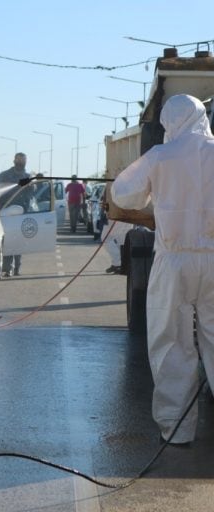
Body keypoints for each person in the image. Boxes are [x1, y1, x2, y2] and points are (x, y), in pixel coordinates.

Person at [112, 94, 214, 445]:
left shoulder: (160, 156)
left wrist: (157, 190)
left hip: (174, 261)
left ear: (170, 122)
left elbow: (124, 196)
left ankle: (177, 431)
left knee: (172, 342)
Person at [0, 152, 31, 276]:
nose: (21, 163)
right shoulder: (4, 175)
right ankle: (7, 268)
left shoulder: (27, 176)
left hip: (21, 214)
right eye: (19, 160)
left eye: (23, 160)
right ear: (14, 161)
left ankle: (17, 268)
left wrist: (35, 183)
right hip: (6, 213)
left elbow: (32, 192)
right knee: (7, 241)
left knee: (19, 242)